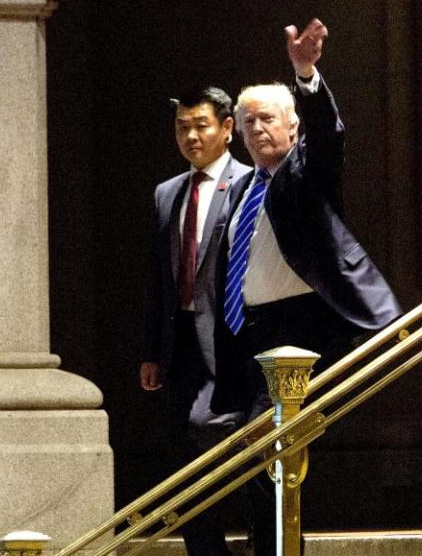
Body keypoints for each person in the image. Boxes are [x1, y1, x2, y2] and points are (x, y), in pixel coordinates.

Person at [211, 18, 402, 555]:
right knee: (254, 449)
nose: (256, 131)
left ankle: (275, 549)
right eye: (247, 124)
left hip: (307, 326)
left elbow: (328, 136)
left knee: (269, 447)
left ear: (292, 128)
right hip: (253, 333)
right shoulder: (240, 190)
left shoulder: (305, 169)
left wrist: (305, 74)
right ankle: (269, 545)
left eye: (267, 120)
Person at [139, 85, 252, 556]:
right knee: (181, 456)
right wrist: (150, 351)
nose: (190, 136)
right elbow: (157, 277)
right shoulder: (167, 193)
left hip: (232, 340)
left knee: (235, 448)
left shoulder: (250, 184)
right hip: (179, 340)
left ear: (227, 129)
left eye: (200, 125)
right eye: (182, 127)